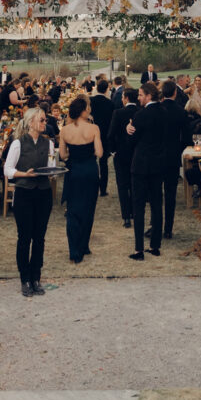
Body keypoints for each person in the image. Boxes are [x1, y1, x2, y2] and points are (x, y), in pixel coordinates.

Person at [4, 106, 55, 296]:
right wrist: (23, 174)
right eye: (41, 120)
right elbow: (7, 169)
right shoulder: (18, 143)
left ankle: (36, 277)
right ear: (31, 122)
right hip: (24, 192)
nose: (44, 123)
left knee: (39, 238)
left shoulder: (48, 144)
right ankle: (24, 278)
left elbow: (51, 166)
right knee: (24, 237)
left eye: (45, 120)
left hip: (43, 193)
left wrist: (52, 172)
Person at [59, 97, 103, 265]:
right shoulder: (93, 128)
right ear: (84, 110)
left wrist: (73, 155)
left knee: (73, 210)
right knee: (88, 209)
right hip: (90, 171)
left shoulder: (65, 130)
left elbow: (63, 155)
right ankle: (84, 246)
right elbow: (99, 152)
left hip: (74, 171)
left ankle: (74, 251)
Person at [126, 82, 166, 260]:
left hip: (141, 165)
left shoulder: (140, 115)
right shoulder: (164, 113)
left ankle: (139, 249)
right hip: (158, 164)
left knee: (139, 206)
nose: (139, 97)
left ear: (149, 95)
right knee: (157, 205)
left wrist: (128, 130)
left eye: (141, 95)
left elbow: (132, 142)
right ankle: (155, 245)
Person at [160, 80, 193, 239]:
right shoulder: (181, 112)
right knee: (170, 194)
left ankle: (156, 224)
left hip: (157, 155)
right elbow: (187, 138)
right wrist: (178, 149)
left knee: (156, 194)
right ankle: (168, 228)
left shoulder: (157, 109)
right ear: (174, 93)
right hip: (172, 156)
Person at [108, 87, 138, 227]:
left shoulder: (118, 113)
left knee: (122, 185)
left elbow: (111, 134)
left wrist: (113, 150)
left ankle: (126, 216)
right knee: (134, 184)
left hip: (121, 154)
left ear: (126, 98)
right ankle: (134, 211)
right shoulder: (140, 112)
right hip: (137, 154)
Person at [90, 79, 114, 197]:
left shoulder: (91, 101)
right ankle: (103, 189)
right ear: (106, 90)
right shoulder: (110, 103)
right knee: (103, 164)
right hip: (104, 135)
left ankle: (92, 187)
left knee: (91, 162)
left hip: (91, 135)